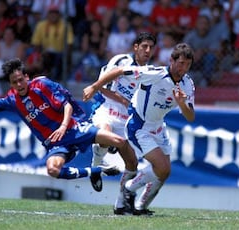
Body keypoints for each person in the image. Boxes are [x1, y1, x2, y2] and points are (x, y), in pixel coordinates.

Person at [0, 58, 137, 192]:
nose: (19, 84)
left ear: (26, 77)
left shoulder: (41, 85)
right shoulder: (12, 100)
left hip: (74, 129)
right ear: (10, 84)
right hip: (55, 143)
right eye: (14, 82)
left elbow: (67, 105)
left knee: (119, 141)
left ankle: (130, 182)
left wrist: (63, 127)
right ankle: (97, 171)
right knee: (53, 170)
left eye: (21, 80)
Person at [83, 43, 195, 215]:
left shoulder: (187, 84)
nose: (183, 68)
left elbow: (190, 116)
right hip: (139, 126)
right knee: (161, 167)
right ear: (171, 61)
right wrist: (95, 86)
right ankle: (129, 188)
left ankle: (137, 207)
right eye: (180, 63)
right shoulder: (155, 73)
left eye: (187, 64)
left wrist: (182, 104)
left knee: (164, 173)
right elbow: (119, 71)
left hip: (158, 127)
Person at [88, 32, 157, 215]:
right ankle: (96, 166)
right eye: (144, 46)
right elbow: (100, 85)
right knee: (105, 133)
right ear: (135, 47)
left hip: (128, 119)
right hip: (107, 108)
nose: (147, 51)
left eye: (151, 47)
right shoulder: (120, 61)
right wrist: (123, 99)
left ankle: (120, 205)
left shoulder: (151, 72)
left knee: (132, 163)